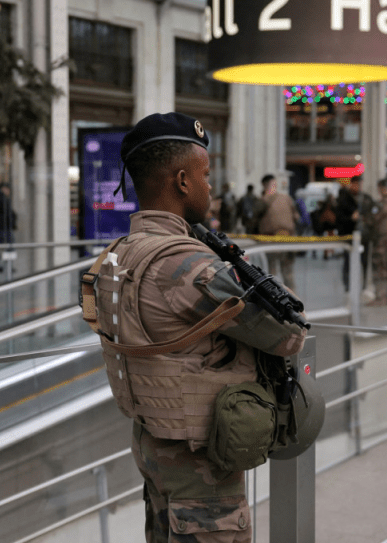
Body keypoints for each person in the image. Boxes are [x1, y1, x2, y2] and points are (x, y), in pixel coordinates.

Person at [90, 112, 306, 543]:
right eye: (206, 174)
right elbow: (288, 334)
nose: (211, 186)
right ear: (183, 181)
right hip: (200, 466)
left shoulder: (120, 253)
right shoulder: (186, 264)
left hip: (155, 445)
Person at [253, 174, 300, 289]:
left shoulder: (262, 201)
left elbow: (254, 220)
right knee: (288, 273)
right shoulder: (287, 198)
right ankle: (293, 300)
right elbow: (296, 217)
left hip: (270, 240)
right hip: (288, 239)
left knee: (272, 272)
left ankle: (275, 300)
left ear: (263, 185)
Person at [335, 176, 375, 290]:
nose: (359, 187)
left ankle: (364, 286)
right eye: (357, 184)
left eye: (360, 184)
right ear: (351, 184)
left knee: (364, 261)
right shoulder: (343, 199)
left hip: (364, 236)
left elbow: (373, 214)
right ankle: (348, 286)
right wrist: (351, 218)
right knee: (348, 261)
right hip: (349, 235)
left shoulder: (366, 198)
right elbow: (338, 219)